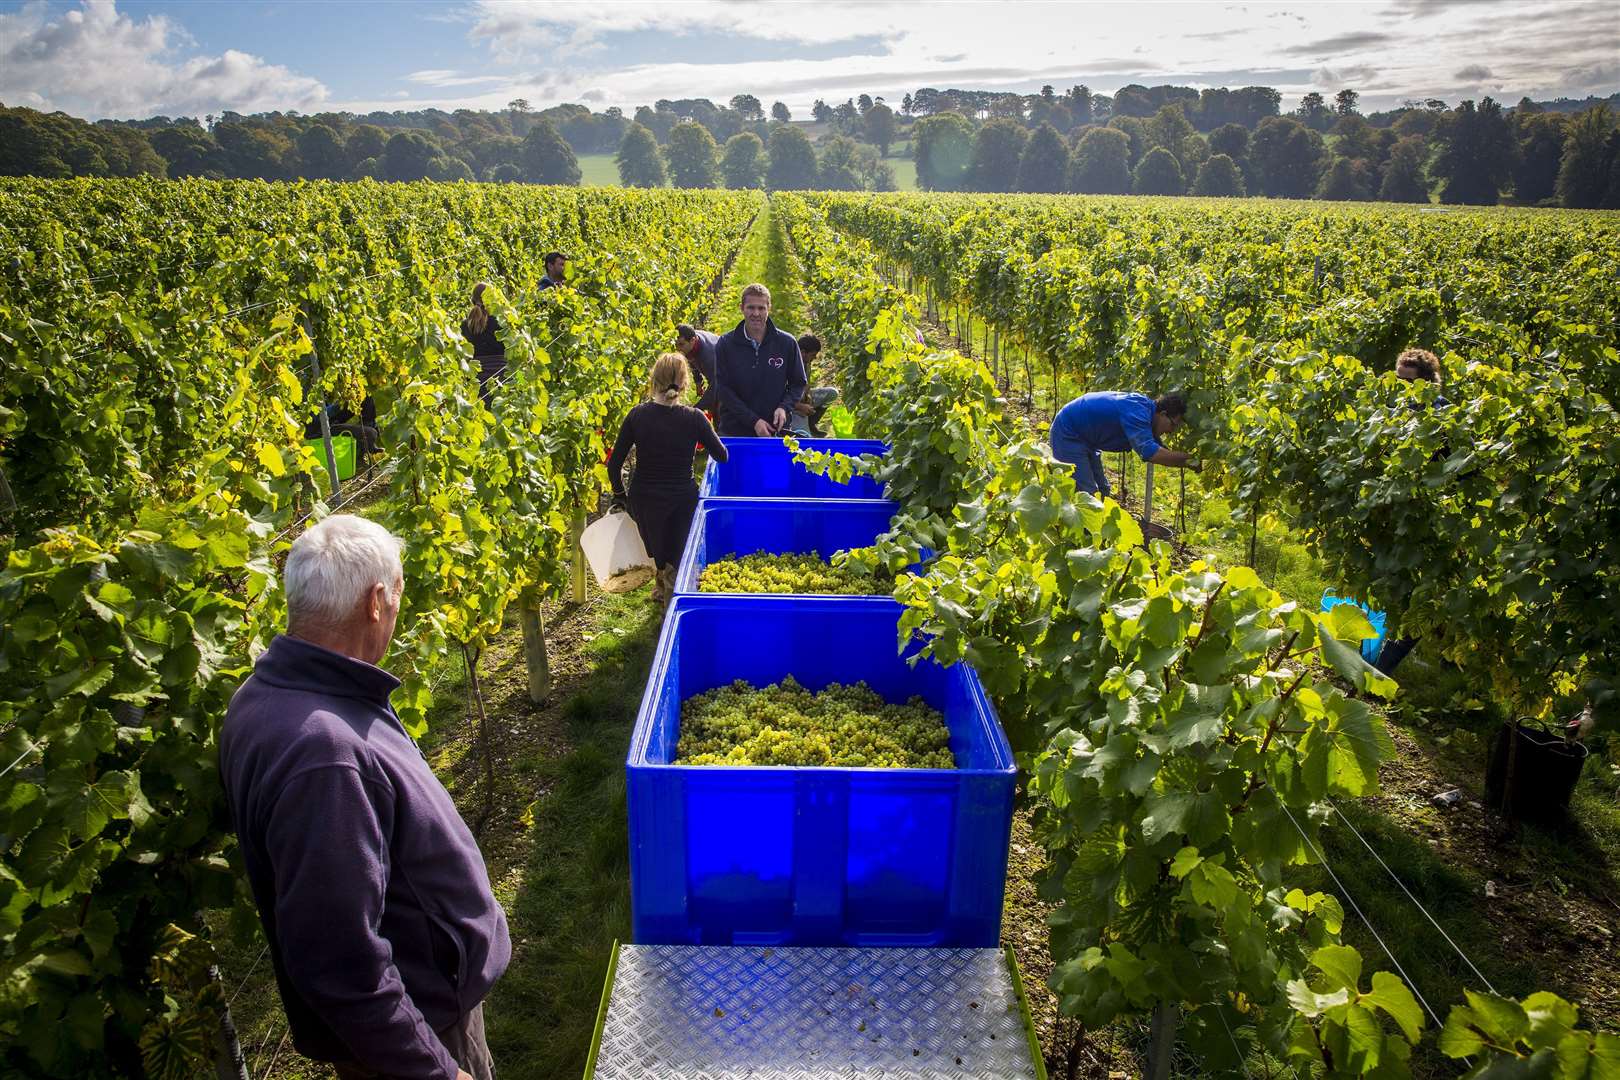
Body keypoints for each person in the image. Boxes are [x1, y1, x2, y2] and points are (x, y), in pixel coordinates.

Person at [220, 514, 508, 1080]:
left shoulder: (271, 693)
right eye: (400, 594)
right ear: (376, 600)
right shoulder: (325, 757)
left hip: (421, 1010)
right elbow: (340, 961)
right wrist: (436, 1070)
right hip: (420, 1029)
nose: (399, 610)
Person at [607, 354, 729, 601]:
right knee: (677, 553)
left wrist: (620, 495)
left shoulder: (637, 416)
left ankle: (660, 585)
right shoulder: (694, 418)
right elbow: (722, 455)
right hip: (681, 499)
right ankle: (669, 603)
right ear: (684, 383)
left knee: (655, 551)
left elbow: (614, 464)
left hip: (644, 499)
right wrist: (701, 436)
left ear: (653, 380)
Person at [1374, 347, 1451, 674]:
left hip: (1430, 515)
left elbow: (1452, 468)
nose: (1401, 386)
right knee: (1391, 585)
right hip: (1396, 509)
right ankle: (1373, 655)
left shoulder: (1444, 415)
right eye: (1398, 379)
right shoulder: (1391, 409)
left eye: (1408, 381)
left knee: (1421, 596)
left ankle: (1383, 666)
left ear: (1428, 383)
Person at [1049, 391, 1199, 498]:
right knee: (1087, 493)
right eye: (1173, 425)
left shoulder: (1146, 411)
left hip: (1086, 438)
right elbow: (1150, 452)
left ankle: (1095, 535)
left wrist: (1187, 461)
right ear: (1163, 414)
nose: (1171, 431)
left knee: (1103, 490)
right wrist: (1190, 460)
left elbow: (1160, 449)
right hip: (1068, 434)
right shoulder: (1138, 412)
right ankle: (1081, 539)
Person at [712, 283, 806, 437]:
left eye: (761, 308)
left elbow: (798, 383)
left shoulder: (787, 343)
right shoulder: (726, 344)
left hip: (774, 429)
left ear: (769, 308)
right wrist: (753, 421)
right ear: (741, 308)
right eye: (751, 307)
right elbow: (724, 389)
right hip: (736, 430)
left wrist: (784, 407)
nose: (756, 313)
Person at [785, 333, 840, 437]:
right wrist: (800, 407)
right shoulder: (787, 365)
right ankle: (800, 427)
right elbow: (778, 397)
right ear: (802, 352)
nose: (814, 358)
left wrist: (808, 394)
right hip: (789, 408)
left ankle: (811, 424)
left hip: (800, 401)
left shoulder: (806, 363)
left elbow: (805, 383)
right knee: (804, 438)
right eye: (813, 355)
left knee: (832, 393)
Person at [460, 281, 506, 396]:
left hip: (476, 387)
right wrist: (522, 383)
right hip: (504, 381)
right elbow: (516, 361)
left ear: (473, 301)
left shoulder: (464, 326)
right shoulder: (503, 323)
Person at [674, 322, 721, 413]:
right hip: (716, 373)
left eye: (681, 345)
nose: (678, 349)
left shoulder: (709, 355)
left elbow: (716, 386)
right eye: (676, 345)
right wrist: (698, 381)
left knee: (720, 407)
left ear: (692, 340)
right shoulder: (690, 343)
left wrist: (696, 409)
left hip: (734, 373)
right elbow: (691, 358)